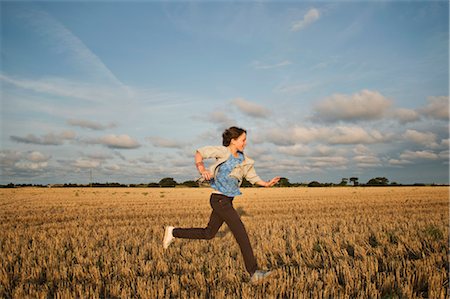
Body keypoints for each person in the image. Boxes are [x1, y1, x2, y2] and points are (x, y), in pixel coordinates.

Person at [163, 126, 280, 284]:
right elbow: (200, 153)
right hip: (219, 200)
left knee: (208, 233)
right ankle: (254, 273)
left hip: (227, 200)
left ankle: (174, 232)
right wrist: (202, 169)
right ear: (233, 140)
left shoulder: (244, 160)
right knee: (241, 234)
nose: (245, 143)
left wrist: (266, 184)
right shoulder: (222, 152)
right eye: (243, 139)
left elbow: (252, 177)